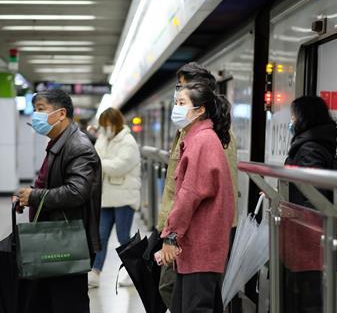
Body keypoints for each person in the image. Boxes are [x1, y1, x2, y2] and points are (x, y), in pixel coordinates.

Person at [157, 62, 239, 310]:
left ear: (200, 109)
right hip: (193, 241)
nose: (176, 108)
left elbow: (189, 194)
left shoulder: (203, 142)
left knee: (195, 305)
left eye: (181, 103)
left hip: (200, 241)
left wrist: (171, 235)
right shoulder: (197, 138)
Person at [14, 89, 102, 313]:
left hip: (68, 241)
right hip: (56, 237)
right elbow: (51, 185)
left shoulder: (78, 146)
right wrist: (29, 196)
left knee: (68, 304)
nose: (36, 116)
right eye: (35, 110)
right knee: (51, 302)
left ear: (61, 113)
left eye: (41, 109)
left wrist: (35, 196)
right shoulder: (59, 143)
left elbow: (77, 191)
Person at [283, 95, 337, 313]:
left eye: (293, 116)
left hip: (309, 243)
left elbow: (314, 200)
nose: (291, 121)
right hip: (309, 243)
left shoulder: (309, 149)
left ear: (304, 118)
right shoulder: (317, 145)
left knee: (307, 301)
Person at [88, 107, 141, 288]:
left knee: (123, 236)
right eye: (102, 126)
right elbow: (94, 158)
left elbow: (119, 166)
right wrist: (101, 163)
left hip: (124, 198)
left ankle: (135, 271)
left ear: (115, 124)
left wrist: (100, 163)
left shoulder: (128, 141)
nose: (104, 129)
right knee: (100, 236)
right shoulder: (103, 139)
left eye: (107, 125)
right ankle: (95, 272)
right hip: (106, 197)